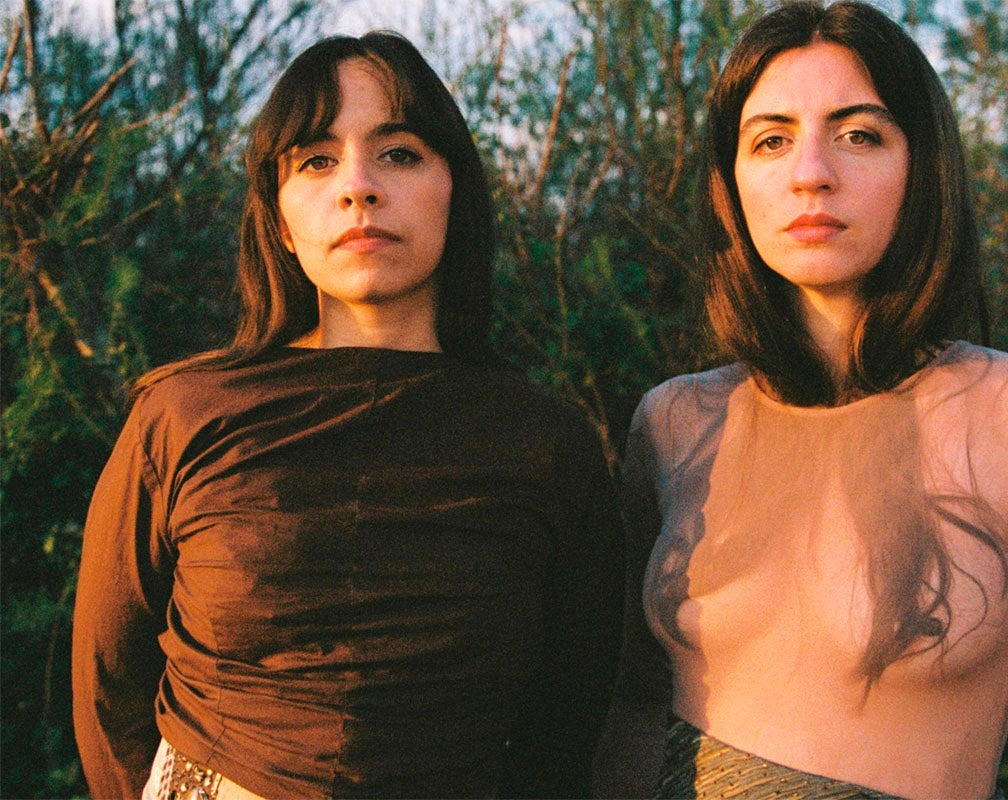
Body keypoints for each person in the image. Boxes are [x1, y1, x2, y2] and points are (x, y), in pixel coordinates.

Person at [592, 2, 1008, 798]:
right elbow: (631, 713)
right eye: (771, 140)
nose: (811, 172)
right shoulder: (674, 424)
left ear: (923, 167)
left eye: (859, 134)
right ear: (730, 184)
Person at [72, 31, 623, 800]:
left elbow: (568, 721)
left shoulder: (548, 443)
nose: (358, 186)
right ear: (279, 219)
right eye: (316, 161)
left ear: (455, 190)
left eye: (398, 153)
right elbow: (109, 686)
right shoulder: (184, 416)